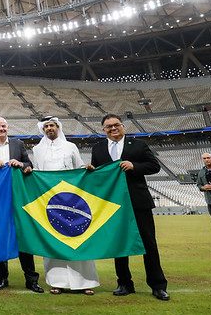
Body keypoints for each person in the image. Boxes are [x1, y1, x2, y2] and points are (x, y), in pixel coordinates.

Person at [89, 113, 169, 301]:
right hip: (114, 205)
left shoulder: (138, 145)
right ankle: (124, 283)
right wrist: (91, 170)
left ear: (123, 126)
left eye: (116, 125)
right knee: (119, 244)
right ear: (103, 130)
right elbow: (98, 173)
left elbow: (154, 166)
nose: (113, 128)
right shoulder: (98, 148)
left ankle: (158, 285)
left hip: (138, 202)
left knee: (149, 243)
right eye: (108, 126)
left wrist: (134, 165)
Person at [32, 116, 99, 296]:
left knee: (79, 237)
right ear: (43, 130)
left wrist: (88, 168)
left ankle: (85, 282)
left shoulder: (71, 147)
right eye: (46, 126)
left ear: (58, 127)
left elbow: (79, 168)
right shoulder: (37, 150)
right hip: (50, 202)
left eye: (52, 125)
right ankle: (57, 282)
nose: (49, 129)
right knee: (53, 240)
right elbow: (37, 173)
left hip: (72, 200)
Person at [0, 117, 43, 293]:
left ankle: (31, 279)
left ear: (7, 127)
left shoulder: (18, 144)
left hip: (18, 197)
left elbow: (29, 165)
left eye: (3, 126)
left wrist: (21, 164)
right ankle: (2, 277)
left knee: (23, 237)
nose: (1, 128)